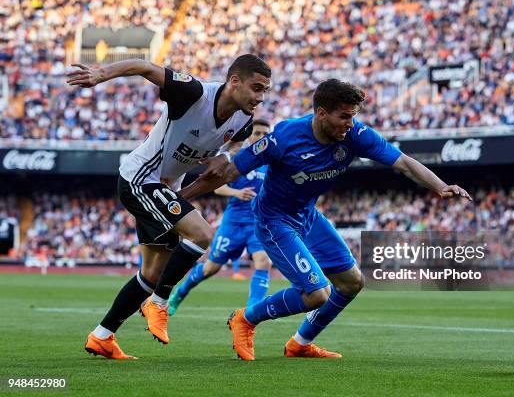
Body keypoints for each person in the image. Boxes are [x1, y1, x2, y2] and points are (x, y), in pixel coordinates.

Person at [179, 78, 471, 360]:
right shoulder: (285, 137)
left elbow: (403, 162)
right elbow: (230, 172)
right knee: (318, 294)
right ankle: (245, 318)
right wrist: (179, 199)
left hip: (307, 215)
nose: (350, 123)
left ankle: (300, 343)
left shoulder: (355, 135)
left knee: (352, 282)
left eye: (353, 116)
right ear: (321, 113)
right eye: (344, 116)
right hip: (274, 220)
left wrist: (440, 186)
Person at [66, 54, 271, 359]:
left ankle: (102, 336)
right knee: (202, 235)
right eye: (256, 88)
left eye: (265, 91)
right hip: (139, 178)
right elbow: (144, 66)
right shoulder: (194, 93)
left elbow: (230, 153)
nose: (260, 97)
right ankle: (159, 302)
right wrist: (102, 74)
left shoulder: (243, 123)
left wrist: (225, 159)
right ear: (234, 81)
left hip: (165, 188)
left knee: (150, 274)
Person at [168, 119, 273, 316]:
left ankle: (251, 313)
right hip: (233, 223)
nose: (261, 137)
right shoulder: (239, 158)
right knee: (210, 268)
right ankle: (179, 293)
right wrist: (236, 193)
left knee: (263, 262)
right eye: (257, 133)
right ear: (250, 136)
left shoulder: (271, 163)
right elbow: (217, 187)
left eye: (265, 134)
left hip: (257, 223)